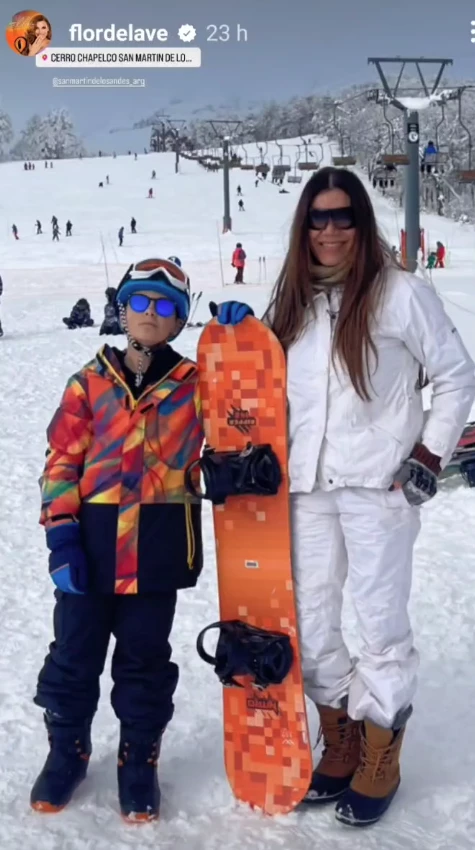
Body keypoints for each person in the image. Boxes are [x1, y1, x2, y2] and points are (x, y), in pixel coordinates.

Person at [211, 167, 475, 826]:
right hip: (304, 489)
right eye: (318, 219)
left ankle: (381, 747)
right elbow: (258, 387)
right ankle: (341, 735)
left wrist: (424, 456)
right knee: (313, 620)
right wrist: (243, 339)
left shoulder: (399, 294)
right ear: (305, 227)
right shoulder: (294, 302)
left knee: (379, 624)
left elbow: (453, 374)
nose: (330, 231)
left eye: (342, 217)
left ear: (361, 222)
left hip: (376, 488)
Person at [30, 258, 204, 822]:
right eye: (141, 302)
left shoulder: (197, 387)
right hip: (92, 545)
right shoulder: (89, 382)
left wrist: (237, 343)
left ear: (179, 319)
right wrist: (62, 538)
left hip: (156, 549)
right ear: (123, 309)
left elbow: (238, 429)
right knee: (74, 657)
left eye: (164, 307)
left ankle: (138, 758)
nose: (151, 315)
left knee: (145, 661)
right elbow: (60, 462)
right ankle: (68, 750)